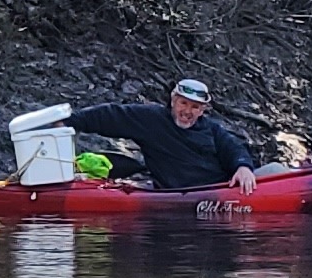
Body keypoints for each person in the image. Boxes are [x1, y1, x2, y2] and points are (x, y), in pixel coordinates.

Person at [68, 78, 261, 192]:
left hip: (223, 188)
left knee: (276, 169)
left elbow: (233, 147)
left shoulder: (211, 129)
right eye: (183, 103)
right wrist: (71, 121)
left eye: (195, 107)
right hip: (186, 194)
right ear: (173, 101)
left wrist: (243, 166)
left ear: (202, 110)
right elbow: (110, 115)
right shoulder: (152, 120)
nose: (188, 111)